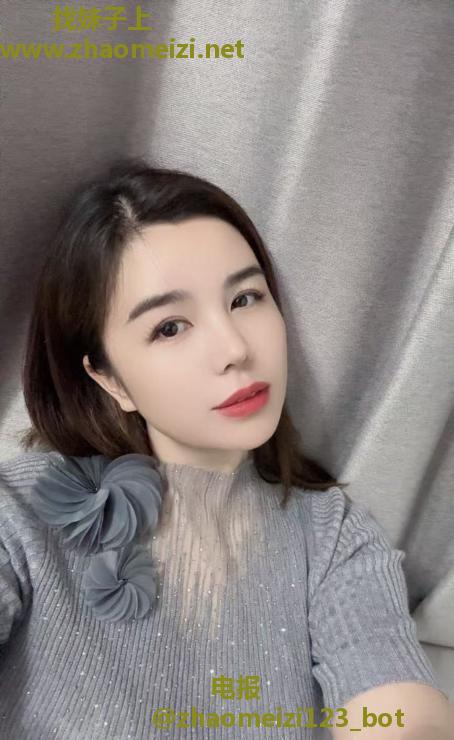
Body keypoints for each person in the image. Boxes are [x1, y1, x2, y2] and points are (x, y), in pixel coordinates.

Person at [0, 157, 451, 739]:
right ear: (109, 379)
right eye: (169, 327)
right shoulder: (23, 512)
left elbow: (396, 708)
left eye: (245, 299)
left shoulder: (330, 537)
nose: (235, 348)